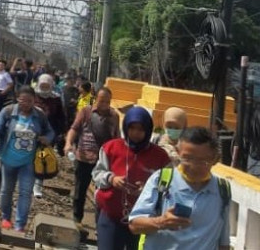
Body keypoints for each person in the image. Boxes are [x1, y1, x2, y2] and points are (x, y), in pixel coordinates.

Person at [129, 127, 230, 250]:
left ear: (215, 159)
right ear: (177, 152)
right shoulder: (161, 180)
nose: (194, 167)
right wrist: (161, 222)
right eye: (187, 159)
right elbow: (134, 225)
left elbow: (223, 241)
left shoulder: (222, 190)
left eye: (203, 161)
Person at [0, 86, 55, 232]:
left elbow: (50, 131)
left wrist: (47, 138)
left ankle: (20, 225)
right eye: (22, 100)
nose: (25, 104)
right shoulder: (7, 112)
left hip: (28, 162)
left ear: (34, 101)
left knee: (25, 192)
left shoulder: (40, 115)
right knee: (6, 190)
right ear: (17, 99)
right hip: (8, 160)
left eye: (29, 101)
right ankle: (6, 218)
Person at [92, 107, 171, 250]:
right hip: (111, 216)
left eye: (141, 129)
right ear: (125, 127)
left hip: (143, 221)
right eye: (132, 128)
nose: (136, 133)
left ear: (148, 130)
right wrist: (111, 179)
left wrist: (148, 190)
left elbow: (167, 186)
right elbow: (97, 174)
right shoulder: (110, 148)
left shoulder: (161, 158)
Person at [64, 87, 120, 232]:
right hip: (83, 158)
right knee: (80, 191)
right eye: (102, 101)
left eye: (107, 101)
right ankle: (77, 220)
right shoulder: (86, 112)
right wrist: (69, 143)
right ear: (96, 99)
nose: (104, 104)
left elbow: (116, 138)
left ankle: (100, 224)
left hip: (103, 161)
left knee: (102, 193)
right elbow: (74, 129)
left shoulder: (114, 116)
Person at [32, 73, 66, 198]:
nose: (45, 88)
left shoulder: (55, 99)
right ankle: (27, 181)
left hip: (47, 134)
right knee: (28, 158)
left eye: (47, 86)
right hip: (31, 132)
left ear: (51, 85)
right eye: (43, 85)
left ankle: (37, 186)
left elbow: (61, 117)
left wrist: (60, 132)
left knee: (41, 159)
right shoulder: (33, 95)